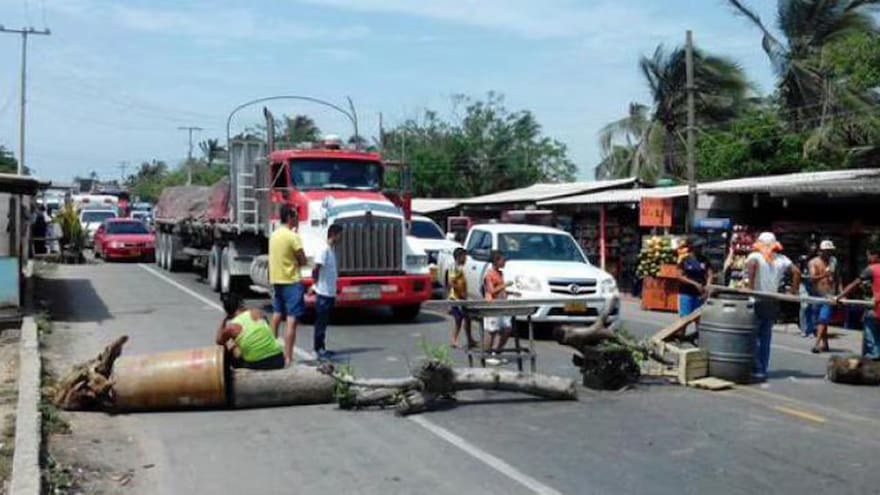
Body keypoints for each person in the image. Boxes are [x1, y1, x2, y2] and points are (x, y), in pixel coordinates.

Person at [746, 232, 801, 382]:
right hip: (771, 300)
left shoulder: (755, 257)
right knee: (765, 336)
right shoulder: (782, 259)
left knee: (753, 336)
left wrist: (750, 289)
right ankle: (762, 369)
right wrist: (794, 291)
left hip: (756, 299)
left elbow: (752, 266)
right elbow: (797, 272)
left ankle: (756, 368)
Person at [269, 205, 308, 367]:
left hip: (276, 279)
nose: (298, 219)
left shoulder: (274, 235)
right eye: (296, 217)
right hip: (291, 281)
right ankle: (288, 357)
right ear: (290, 218)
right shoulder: (293, 237)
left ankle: (270, 351)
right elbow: (303, 260)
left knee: (277, 315)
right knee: (291, 320)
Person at [216, 292, 285, 370]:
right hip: (279, 359)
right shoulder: (257, 312)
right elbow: (268, 329)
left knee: (231, 349)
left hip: (257, 364)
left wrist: (224, 321)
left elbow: (219, 341)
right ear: (241, 304)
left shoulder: (230, 328)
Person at [837, 241, 880, 360]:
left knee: (871, 332)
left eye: (869, 255)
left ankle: (875, 356)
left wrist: (839, 296)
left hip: (876, 307)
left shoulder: (872, 269)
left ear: (875, 256)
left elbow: (854, 284)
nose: (868, 258)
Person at [311, 224, 343, 360]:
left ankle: (322, 348)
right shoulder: (323, 249)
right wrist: (314, 285)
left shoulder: (331, 250)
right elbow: (316, 269)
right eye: (340, 235)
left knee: (324, 322)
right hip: (323, 292)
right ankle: (317, 349)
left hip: (329, 292)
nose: (341, 238)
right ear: (333, 235)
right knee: (320, 322)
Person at [483, 250, 520, 365]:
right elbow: (492, 291)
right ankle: (487, 354)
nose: (504, 262)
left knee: (506, 329)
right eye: (502, 260)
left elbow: (500, 290)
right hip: (492, 305)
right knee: (492, 331)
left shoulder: (500, 273)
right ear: (496, 261)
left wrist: (511, 293)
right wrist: (505, 285)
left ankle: (497, 352)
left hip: (502, 304)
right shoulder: (489, 274)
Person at [808, 240, 841, 353]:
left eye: (830, 251)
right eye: (826, 251)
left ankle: (816, 344)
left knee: (823, 319)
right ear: (821, 251)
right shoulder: (814, 262)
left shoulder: (833, 261)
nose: (829, 253)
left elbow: (838, 278)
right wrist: (824, 275)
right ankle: (825, 343)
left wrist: (841, 293)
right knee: (819, 320)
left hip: (829, 295)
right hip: (817, 294)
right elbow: (812, 278)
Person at [447, 247, 475, 349]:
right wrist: (460, 292)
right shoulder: (454, 267)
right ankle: (454, 340)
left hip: (463, 298)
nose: (466, 258)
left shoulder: (460, 267)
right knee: (459, 320)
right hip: (456, 298)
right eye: (464, 256)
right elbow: (451, 282)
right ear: (459, 257)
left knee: (468, 318)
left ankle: (470, 339)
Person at [677, 237, 712, 317]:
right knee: (685, 317)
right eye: (698, 247)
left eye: (701, 246)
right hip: (686, 293)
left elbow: (710, 274)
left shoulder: (704, 260)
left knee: (699, 317)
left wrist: (707, 286)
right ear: (692, 247)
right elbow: (679, 276)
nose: (701, 248)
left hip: (700, 294)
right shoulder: (685, 260)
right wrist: (695, 284)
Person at [798, 242, 818, 338]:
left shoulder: (818, 259)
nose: (813, 248)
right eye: (811, 246)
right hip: (804, 284)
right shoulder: (802, 259)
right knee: (804, 306)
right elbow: (798, 271)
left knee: (813, 307)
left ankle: (811, 330)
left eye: (815, 246)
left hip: (815, 285)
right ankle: (804, 329)